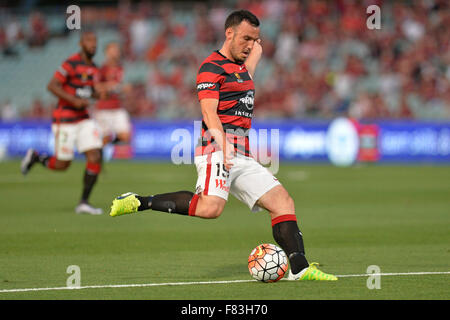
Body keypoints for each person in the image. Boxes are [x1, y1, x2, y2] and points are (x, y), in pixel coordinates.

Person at [109, 10, 337, 281]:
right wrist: (224, 144)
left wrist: (256, 48)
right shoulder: (210, 67)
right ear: (229, 33)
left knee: (283, 202)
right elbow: (209, 113)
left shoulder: (243, 69)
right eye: (245, 38)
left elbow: (251, 65)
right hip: (215, 149)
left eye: (255, 39)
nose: (250, 44)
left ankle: (300, 268)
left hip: (241, 153)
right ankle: (139, 201)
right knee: (210, 208)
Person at [21, 31, 104, 215]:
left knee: (95, 155)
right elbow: (52, 86)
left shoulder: (94, 68)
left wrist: (98, 94)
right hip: (65, 118)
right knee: (62, 164)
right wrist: (73, 101)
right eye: (89, 41)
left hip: (83, 118)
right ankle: (36, 157)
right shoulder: (71, 63)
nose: (93, 45)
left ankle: (83, 202)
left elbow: (88, 92)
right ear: (81, 43)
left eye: (95, 41)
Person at [94, 41, 132, 148]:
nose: (115, 53)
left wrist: (124, 89)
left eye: (117, 50)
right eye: (112, 50)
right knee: (104, 139)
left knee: (125, 136)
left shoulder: (122, 69)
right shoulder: (102, 69)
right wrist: (109, 86)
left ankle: (107, 144)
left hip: (117, 107)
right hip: (103, 108)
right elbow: (95, 87)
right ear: (107, 53)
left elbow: (126, 87)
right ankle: (97, 150)